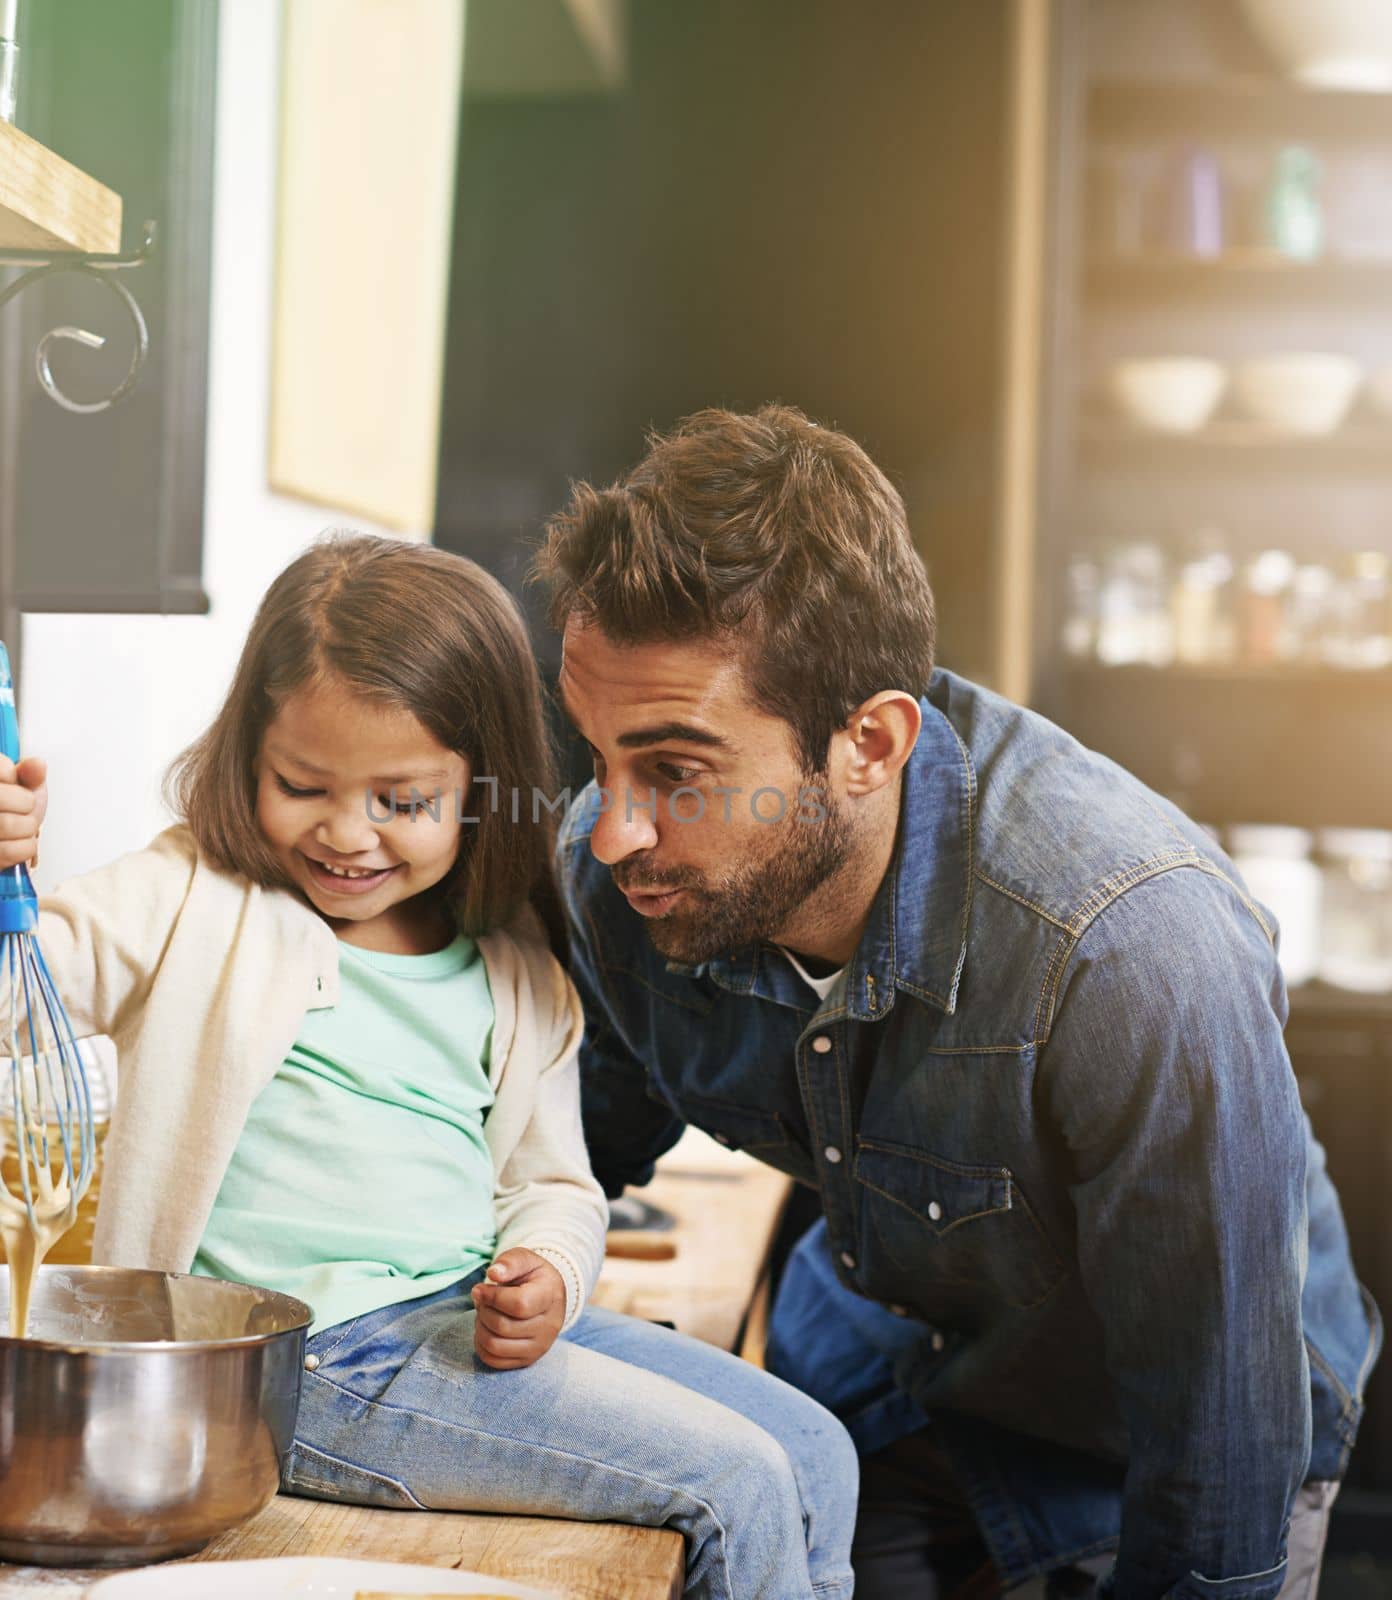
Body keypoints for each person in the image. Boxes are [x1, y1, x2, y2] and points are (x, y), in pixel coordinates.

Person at [0, 534, 858, 1600]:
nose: (348, 833)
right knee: (737, 1481)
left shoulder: (513, 968)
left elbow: (551, 1185)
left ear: (480, 790)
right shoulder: (190, 897)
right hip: (295, 1366)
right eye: (302, 784)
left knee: (815, 1450)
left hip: (454, 1329)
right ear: (247, 756)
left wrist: (550, 1270)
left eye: (401, 801)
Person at [538, 405, 1381, 1600]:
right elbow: (583, 1139)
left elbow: (1217, 1420)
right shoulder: (622, 873)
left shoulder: (1130, 948)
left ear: (868, 744)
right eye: (595, 756)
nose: (612, 828)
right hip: (896, 1374)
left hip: (1147, 1441)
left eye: (676, 774)